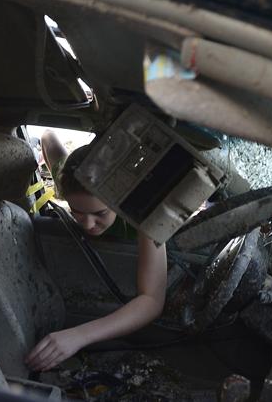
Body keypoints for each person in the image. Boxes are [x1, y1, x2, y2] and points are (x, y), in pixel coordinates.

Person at [25, 130, 167, 372]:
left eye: (100, 214)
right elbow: (48, 137)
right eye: (77, 212)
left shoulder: (145, 213)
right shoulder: (69, 179)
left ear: (120, 197)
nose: (88, 224)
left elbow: (151, 300)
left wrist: (78, 336)